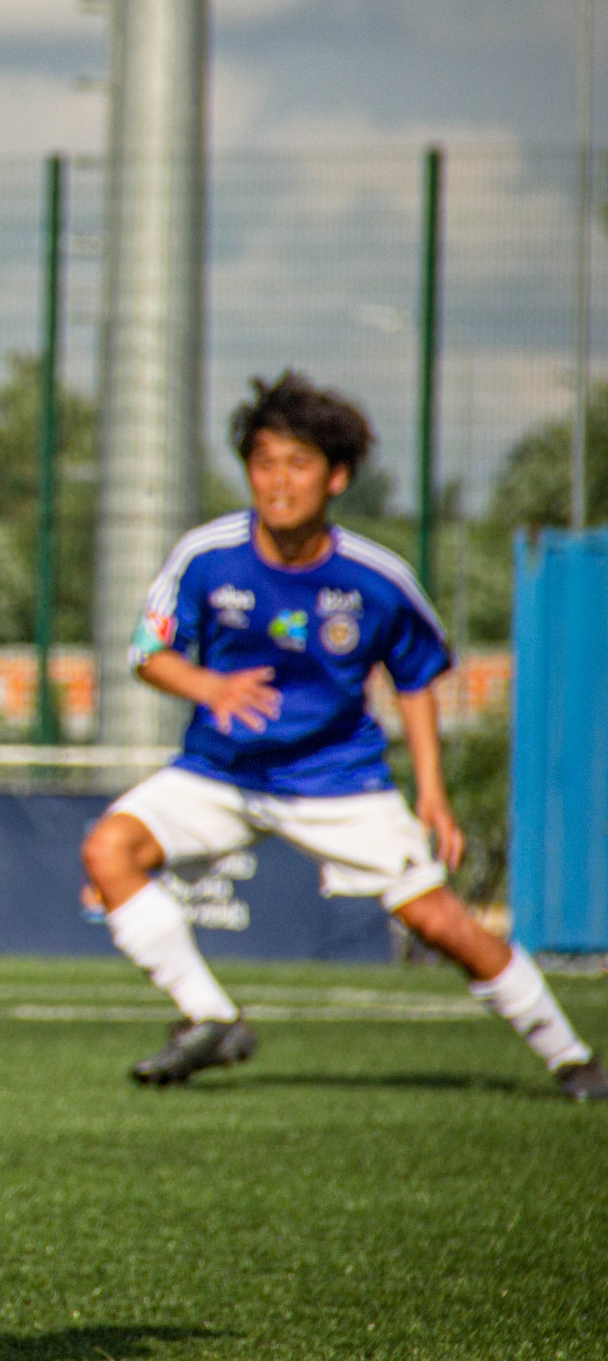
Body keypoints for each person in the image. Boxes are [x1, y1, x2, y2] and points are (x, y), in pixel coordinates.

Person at [82, 372, 606, 1099]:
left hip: (338, 780)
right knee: (110, 848)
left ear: (337, 476)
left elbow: (415, 676)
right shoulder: (206, 555)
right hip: (221, 771)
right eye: (263, 463)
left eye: (296, 463)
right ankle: (210, 1018)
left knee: (439, 919)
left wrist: (432, 791)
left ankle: (574, 1058)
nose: (276, 481)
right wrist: (209, 687)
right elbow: (149, 650)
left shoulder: (377, 577)